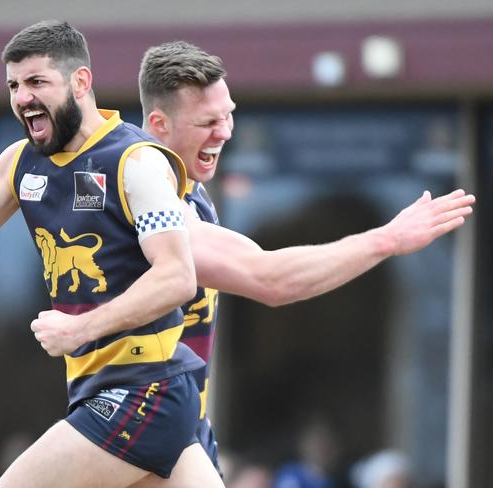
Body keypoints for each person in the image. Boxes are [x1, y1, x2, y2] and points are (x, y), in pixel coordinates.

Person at [0, 21, 223, 488]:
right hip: (100, 388)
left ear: (81, 82)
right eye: (14, 86)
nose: (22, 98)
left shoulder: (137, 161)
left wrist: (80, 329)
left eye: (38, 82)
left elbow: (177, 277)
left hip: (147, 389)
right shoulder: (20, 162)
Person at [135, 40, 476, 485]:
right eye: (208, 122)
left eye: (228, 115)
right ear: (159, 124)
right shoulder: (142, 193)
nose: (225, 132)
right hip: (135, 422)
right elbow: (269, 278)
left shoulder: (190, 191)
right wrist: (388, 239)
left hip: (177, 429)